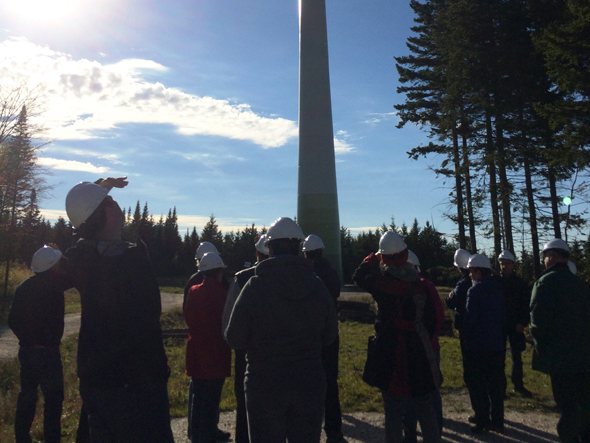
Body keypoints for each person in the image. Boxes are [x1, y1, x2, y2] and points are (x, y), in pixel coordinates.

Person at [64, 178, 174, 442]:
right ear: (109, 212)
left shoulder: (81, 260)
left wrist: (98, 194)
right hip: (140, 386)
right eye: (111, 202)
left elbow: (84, 232)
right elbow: (150, 313)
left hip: (99, 383)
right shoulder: (134, 261)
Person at [225, 217, 338, 443]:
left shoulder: (254, 287)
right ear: (298, 248)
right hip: (309, 383)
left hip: (264, 385)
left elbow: (234, 338)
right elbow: (330, 335)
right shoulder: (317, 285)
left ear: (271, 247)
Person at [352, 231, 441, 443]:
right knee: (424, 405)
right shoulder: (421, 285)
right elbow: (432, 319)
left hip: (389, 350)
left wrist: (369, 261)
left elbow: (358, 277)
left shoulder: (381, 284)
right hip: (417, 350)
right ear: (405, 253)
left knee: (392, 409)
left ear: (383, 257)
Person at [8, 245, 71, 443]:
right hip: (49, 354)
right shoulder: (55, 286)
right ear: (51, 266)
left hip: (27, 352)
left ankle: (22, 437)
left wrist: (28, 340)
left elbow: (12, 320)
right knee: (53, 400)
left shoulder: (24, 287)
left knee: (27, 396)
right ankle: (52, 439)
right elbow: (72, 273)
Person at [530, 239, 590, 443]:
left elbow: (538, 322)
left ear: (552, 257)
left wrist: (540, 347)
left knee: (566, 406)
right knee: (584, 403)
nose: (544, 261)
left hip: (560, 358)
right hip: (584, 356)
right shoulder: (581, 285)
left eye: (545, 257)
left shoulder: (545, 283)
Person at [221, 234, 270, 443]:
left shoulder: (242, 278)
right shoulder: (296, 278)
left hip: (247, 357)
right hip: (283, 358)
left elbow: (228, 324)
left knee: (246, 407)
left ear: (257, 253)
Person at [184, 241, 231, 442]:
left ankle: (197, 432)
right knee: (211, 399)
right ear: (219, 271)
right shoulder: (223, 295)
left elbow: (188, 316)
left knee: (198, 396)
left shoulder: (193, 291)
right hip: (216, 353)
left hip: (196, 352)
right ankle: (208, 433)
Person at [302, 234, 344, 443]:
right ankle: (334, 431)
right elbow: (335, 294)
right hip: (329, 334)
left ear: (306, 252)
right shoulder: (331, 272)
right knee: (330, 383)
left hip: (308, 336)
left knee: (307, 384)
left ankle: (307, 431)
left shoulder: (304, 275)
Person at [403, 250, 445, 441]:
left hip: (414, 347)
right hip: (430, 346)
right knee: (431, 390)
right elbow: (438, 317)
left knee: (410, 393)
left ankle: (411, 433)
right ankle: (436, 431)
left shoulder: (410, 285)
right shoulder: (427, 285)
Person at [462, 254, 505, 434]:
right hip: (497, 344)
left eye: (471, 272)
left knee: (477, 384)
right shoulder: (498, 287)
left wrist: (463, 332)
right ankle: (498, 419)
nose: (470, 275)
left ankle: (482, 419)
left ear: (478, 271)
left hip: (477, 345)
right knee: (495, 384)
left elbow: (471, 318)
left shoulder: (475, 290)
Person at [497, 250, 532, 397]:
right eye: (502, 264)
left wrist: (523, 322)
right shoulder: (495, 282)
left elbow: (527, 305)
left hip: (515, 324)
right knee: (498, 357)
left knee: (516, 356)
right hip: (499, 324)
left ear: (513, 265)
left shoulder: (521, 284)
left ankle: (518, 385)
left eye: (507, 264)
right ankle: (500, 387)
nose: (504, 267)